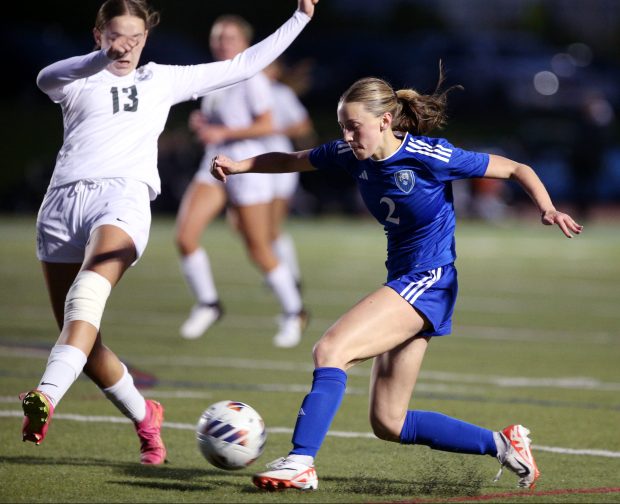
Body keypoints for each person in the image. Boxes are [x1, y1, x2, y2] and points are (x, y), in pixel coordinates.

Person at [211, 73, 583, 490]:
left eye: (355, 126)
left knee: (331, 350)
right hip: (408, 280)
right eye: (342, 127)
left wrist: (548, 209)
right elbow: (292, 159)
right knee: (388, 421)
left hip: (430, 278)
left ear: (386, 120)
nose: (348, 136)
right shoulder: (350, 154)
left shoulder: (429, 155)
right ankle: (503, 443)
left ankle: (300, 461)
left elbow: (516, 168)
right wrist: (239, 165)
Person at [22, 0, 319, 463]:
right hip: (60, 206)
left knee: (86, 299)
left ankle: (44, 396)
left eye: (135, 39)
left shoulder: (159, 79)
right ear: (97, 33)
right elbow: (46, 77)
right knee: (81, 336)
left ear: (146, 39)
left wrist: (299, 17)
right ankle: (146, 417)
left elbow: (244, 65)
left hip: (121, 200)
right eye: (116, 37)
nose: (126, 47)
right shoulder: (79, 78)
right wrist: (102, 58)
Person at [176, 18, 307, 348]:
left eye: (230, 37)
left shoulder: (252, 75)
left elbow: (268, 124)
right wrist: (204, 123)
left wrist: (224, 132)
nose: (222, 42)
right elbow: (222, 121)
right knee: (185, 236)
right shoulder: (214, 75)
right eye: (217, 36)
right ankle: (209, 303)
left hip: (245, 166)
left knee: (258, 246)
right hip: (212, 164)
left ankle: (295, 311)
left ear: (245, 43)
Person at [262, 59, 317, 292]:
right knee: (246, 225)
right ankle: (277, 270)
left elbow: (303, 126)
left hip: (277, 165)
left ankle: (290, 277)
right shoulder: (242, 90)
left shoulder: (280, 93)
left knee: (271, 227)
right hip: (252, 167)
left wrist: (271, 129)